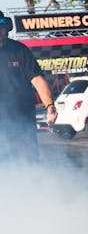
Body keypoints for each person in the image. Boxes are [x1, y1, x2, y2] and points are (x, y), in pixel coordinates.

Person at [0, 9, 57, 162]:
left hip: (22, 119)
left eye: (1, 28)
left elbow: (37, 80)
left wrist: (49, 105)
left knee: (28, 160)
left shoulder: (20, 50)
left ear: (6, 28)